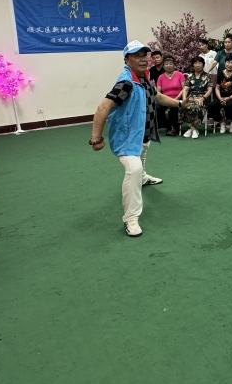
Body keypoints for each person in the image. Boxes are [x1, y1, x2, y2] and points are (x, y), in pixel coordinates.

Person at [90, 41, 183, 238]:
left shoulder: (144, 78)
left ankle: (143, 178)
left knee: (142, 155)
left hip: (142, 135)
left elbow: (158, 97)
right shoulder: (127, 83)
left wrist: (180, 103)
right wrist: (96, 138)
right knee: (134, 169)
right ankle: (131, 218)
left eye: (144, 55)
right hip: (127, 139)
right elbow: (103, 108)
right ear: (126, 60)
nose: (142, 59)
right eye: (136, 56)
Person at [179, 56, 213, 139]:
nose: (197, 65)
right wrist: (184, 99)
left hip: (203, 98)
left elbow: (210, 90)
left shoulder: (207, 76)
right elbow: (185, 89)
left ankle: (192, 129)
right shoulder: (190, 76)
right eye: (195, 63)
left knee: (196, 106)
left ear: (203, 64)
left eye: (199, 63)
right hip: (191, 97)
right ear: (193, 65)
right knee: (182, 106)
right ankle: (193, 129)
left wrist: (202, 98)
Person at [209, 56, 232, 133]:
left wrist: (229, 98)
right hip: (221, 97)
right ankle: (221, 122)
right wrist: (220, 98)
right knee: (212, 106)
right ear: (225, 63)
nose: (229, 65)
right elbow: (217, 88)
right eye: (228, 62)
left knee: (229, 106)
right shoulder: (221, 73)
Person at [155, 56, 184, 136]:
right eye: (166, 64)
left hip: (177, 98)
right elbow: (158, 91)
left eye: (170, 64)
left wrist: (177, 98)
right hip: (165, 99)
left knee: (174, 107)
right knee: (158, 107)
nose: (169, 65)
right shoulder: (161, 77)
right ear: (163, 66)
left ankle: (173, 128)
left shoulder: (179, 74)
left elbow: (184, 89)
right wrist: (161, 99)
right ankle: (168, 126)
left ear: (174, 65)